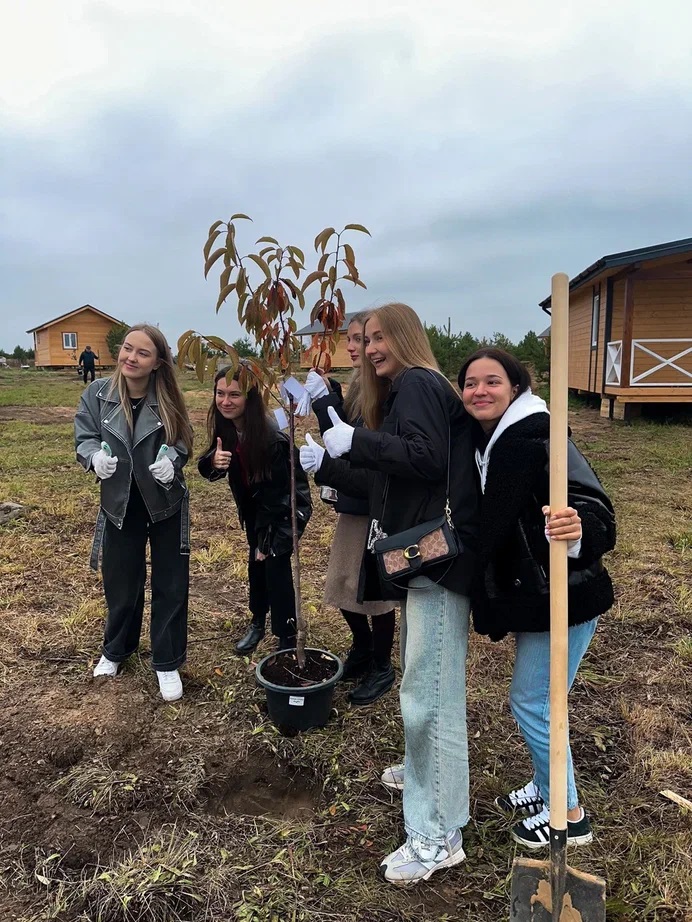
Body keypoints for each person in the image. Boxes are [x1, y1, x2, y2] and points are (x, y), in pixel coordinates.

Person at [310, 303, 480, 887]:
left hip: (435, 561)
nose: (371, 346)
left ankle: (435, 835)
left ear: (405, 338)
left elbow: (426, 459)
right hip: (421, 559)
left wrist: (356, 437)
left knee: (427, 694)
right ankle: (424, 774)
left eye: (381, 336)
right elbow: (396, 472)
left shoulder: (417, 385)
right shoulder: (411, 389)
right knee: (426, 682)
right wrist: (339, 454)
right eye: (367, 338)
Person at [458, 347, 616, 849]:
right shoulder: (488, 443)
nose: (479, 391)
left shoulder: (543, 436)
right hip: (535, 597)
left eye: (492, 381)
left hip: (566, 595)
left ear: (517, 387)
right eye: (470, 383)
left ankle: (568, 812)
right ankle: (545, 784)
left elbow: (594, 507)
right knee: (541, 700)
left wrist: (576, 529)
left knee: (535, 702)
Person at [74, 324, 193, 702]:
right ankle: (116, 650)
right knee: (121, 581)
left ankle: (167, 660)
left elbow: (183, 439)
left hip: (164, 504)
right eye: (127, 348)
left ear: (158, 362)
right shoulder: (98, 394)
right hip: (119, 503)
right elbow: (85, 434)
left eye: (142, 353)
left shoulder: (169, 398)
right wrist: (93, 457)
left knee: (170, 584)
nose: (131, 357)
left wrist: (172, 461)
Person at [298, 312, 398, 706]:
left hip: (373, 501)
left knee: (374, 591)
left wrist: (324, 403)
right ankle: (364, 647)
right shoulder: (362, 384)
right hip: (355, 499)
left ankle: (382, 664)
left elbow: (349, 438)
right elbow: (342, 429)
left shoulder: (386, 390)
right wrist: (330, 397)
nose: (358, 347)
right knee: (343, 582)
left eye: (364, 340)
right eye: (355, 340)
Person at [198, 367, 312, 653]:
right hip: (253, 515)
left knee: (277, 570)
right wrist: (213, 462)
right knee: (257, 569)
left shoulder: (272, 438)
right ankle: (258, 622)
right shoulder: (227, 428)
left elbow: (292, 494)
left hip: (281, 517)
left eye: (234, 394)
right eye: (220, 394)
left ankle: (287, 636)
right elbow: (209, 466)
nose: (225, 401)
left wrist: (270, 539)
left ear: (249, 398)